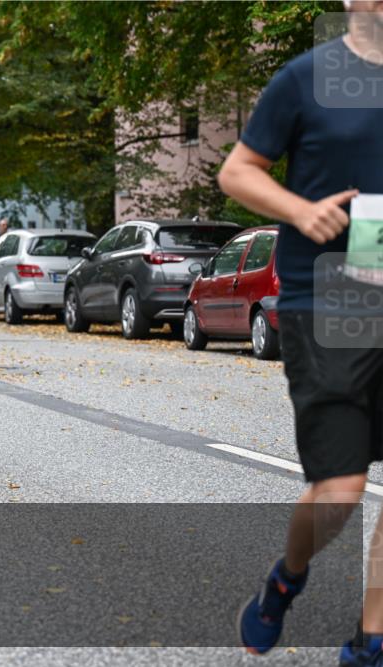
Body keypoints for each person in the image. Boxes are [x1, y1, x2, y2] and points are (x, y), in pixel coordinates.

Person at [218, 3, 383, 663]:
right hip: (330, 299)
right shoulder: (307, 77)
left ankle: (371, 638)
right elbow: (236, 171)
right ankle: (286, 580)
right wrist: (299, 209)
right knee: (340, 488)